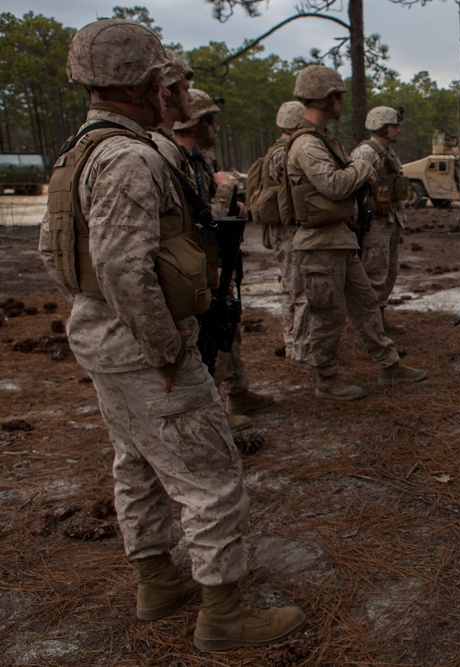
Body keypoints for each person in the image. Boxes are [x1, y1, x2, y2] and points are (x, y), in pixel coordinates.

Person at [37, 18, 304, 651]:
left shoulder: (76, 152)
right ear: (148, 83)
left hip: (103, 337)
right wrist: (164, 349)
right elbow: (124, 266)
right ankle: (225, 611)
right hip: (144, 347)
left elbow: (54, 251)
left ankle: (157, 583)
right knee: (210, 475)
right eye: (166, 79)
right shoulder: (130, 158)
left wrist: (96, 313)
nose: (173, 89)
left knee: (138, 464)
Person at [285, 65, 427, 400]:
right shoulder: (307, 145)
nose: (342, 103)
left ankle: (389, 363)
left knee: (365, 304)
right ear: (325, 98)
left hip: (339, 240)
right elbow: (334, 185)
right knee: (328, 314)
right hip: (319, 244)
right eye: (338, 96)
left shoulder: (323, 140)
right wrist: (363, 168)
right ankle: (327, 378)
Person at [174, 88, 275, 430]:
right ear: (197, 122)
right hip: (198, 267)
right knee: (209, 338)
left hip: (218, 261)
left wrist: (235, 205)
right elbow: (197, 223)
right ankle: (215, 408)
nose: (215, 126)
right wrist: (225, 192)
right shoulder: (177, 161)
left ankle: (238, 390)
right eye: (210, 119)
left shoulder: (203, 159)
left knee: (228, 329)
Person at [260, 100, 312, 367]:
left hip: (281, 229)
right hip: (290, 229)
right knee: (299, 289)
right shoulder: (287, 152)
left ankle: (292, 342)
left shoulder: (273, 151)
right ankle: (299, 348)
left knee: (289, 288)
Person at [350, 106, 409, 334]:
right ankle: (369, 327)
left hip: (389, 222)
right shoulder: (365, 153)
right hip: (372, 225)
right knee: (373, 274)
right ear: (382, 127)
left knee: (388, 272)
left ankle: (379, 319)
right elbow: (354, 191)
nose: (398, 130)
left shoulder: (389, 154)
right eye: (395, 125)